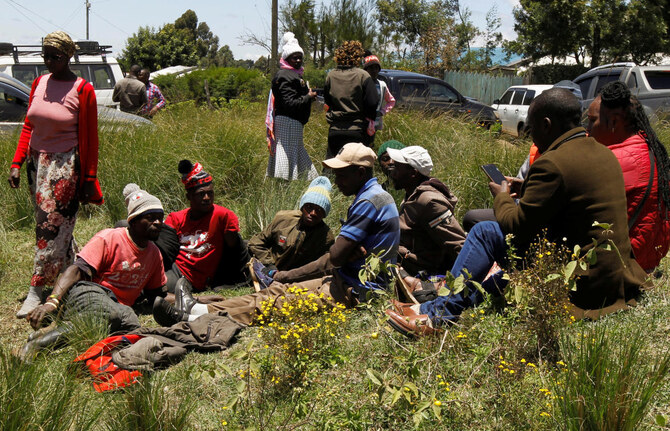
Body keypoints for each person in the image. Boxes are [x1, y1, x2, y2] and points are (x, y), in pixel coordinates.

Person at [386, 89, 648, 336]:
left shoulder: (553, 163)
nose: (532, 136)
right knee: (500, 276)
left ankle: (438, 315)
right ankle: (434, 307)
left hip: (580, 284)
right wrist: (530, 189)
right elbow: (572, 199)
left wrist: (501, 196)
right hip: (610, 278)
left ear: (546, 124)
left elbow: (516, 227)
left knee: (484, 231)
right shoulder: (604, 154)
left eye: (533, 129)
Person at [153, 143, 400, 326]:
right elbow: (339, 255)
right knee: (272, 293)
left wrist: (287, 275)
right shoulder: (371, 197)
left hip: (355, 289)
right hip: (343, 278)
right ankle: (197, 306)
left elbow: (333, 257)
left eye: (342, 174)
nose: (337, 181)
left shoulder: (369, 201)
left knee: (274, 303)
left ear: (360, 173)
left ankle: (194, 315)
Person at [8, 31, 104, 318]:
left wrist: (88, 179)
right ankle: (73, 276)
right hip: (37, 164)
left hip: (64, 167)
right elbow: (29, 125)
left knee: (47, 230)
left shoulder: (82, 89)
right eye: (45, 56)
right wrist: (17, 161)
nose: (49, 62)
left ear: (69, 56)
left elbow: (90, 138)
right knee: (57, 229)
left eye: (55, 56)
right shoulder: (39, 82)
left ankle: (37, 291)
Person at [20, 184, 167, 356]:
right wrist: (51, 302)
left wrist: (197, 302)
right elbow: (76, 271)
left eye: (160, 217)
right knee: (111, 313)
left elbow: (158, 296)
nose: (157, 222)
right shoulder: (110, 238)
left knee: (131, 327)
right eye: (150, 217)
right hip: (88, 292)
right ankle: (37, 346)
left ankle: (52, 334)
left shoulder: (155, 254)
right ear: (133, 221)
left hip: (119, 308)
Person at [586, 81, 670, 272]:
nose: (587, 128)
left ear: (614, 122)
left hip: (624, 266)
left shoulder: (617, 160)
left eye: (592, 120)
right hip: (646, 260)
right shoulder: (647, 147)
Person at [163, 160, 249, 294]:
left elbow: (234, 247)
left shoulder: (223, 215)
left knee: (161, 286)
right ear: (189, 196)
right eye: (201, 194)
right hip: (176, 268)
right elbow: (164, 250)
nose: (207, 197)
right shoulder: (175, 218)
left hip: (194, 278)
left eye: (210, 193)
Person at [388, 145, 466, 276]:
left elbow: (457, 243)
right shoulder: (413, 192)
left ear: (413, 173)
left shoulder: (429, 202)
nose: (392, 173)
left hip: (420, 269)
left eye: (397, 168)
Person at [248, 176, 335, 274]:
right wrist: (269, 265)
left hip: (297, 279)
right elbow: (256, 243)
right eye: (309, 207)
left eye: (319, 210)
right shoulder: (283, 219)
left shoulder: (326, 237)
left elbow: (325, 264)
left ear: (324, 214)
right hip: (268, 270)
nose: (313, 213)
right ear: (302, 207)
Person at [265, 32, 318, 181]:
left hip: (293, 124)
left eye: (300, 57)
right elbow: (289, 103)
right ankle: (284, 189)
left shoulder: (293, 75)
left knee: (292, 155)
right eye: (295, 57)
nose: (298, 60)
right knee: (286, 158)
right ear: (286, 58)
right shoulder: (285, 75)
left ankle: (292, 186)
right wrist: (308, 97)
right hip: (288, 123)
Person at [323, 41, 379, 158]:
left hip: (335, 129)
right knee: (358, 167)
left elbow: (327, 101)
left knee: (332, 166)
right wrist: (368, 118)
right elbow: (373, 102)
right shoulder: (363, 75)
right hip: (357, 129)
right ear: (358, 56)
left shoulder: (331, 75)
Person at [362, 51, 395, 144]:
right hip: (361, 122)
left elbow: (391, 101)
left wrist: (382, 111)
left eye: (376, 68)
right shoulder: (361, 83)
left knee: (370, 145)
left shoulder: (382, 85)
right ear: (366, 70)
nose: (374, 70)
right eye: (371, 68)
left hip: (374, 122)